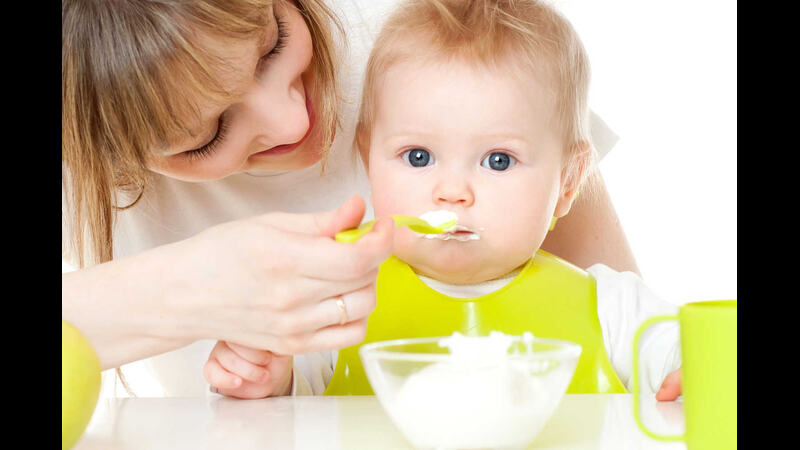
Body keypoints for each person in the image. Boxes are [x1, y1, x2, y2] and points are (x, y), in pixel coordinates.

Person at [61, 0, 639, 398]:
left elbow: (626, 340)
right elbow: (307, 383)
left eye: (274, 45)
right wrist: (198, 292)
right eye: (207, 135)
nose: (292, 122)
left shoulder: (437, 35)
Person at [204, 0, 682, 400]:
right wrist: (268, 376)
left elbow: (685, 355)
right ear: (368, 160)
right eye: (418, 156)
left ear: (569, 182)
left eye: (498, 161)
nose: (452, 192)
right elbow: (285, 414)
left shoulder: (610, 306)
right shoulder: (343, 304)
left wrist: (691, 373)